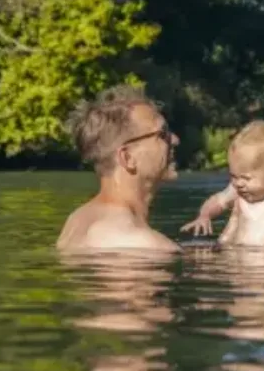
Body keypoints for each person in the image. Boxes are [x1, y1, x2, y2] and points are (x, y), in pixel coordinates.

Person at [56, 84, 182, 252]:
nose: (175, 140)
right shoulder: (140, 243)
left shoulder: (76, 220)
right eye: (163, 134)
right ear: (127, 157)